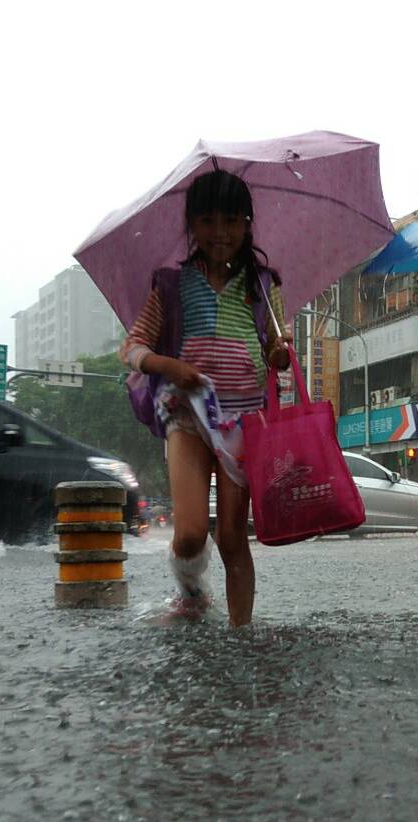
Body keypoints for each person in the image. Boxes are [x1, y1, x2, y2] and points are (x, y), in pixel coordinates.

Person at [122, 170, 291, 627]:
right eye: (209, 221)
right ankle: (192, 591)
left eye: (232, 221)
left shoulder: (263, 285)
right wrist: (168, 366)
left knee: (234, 538)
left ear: (247, 225)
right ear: (192, 225)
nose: (221, 232)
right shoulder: (171, 285)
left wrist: (280, 353)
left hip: (244, 424)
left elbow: (276, 351)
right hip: (187, 418)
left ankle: (241, 633)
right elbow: (132, 348)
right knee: (191, 533)